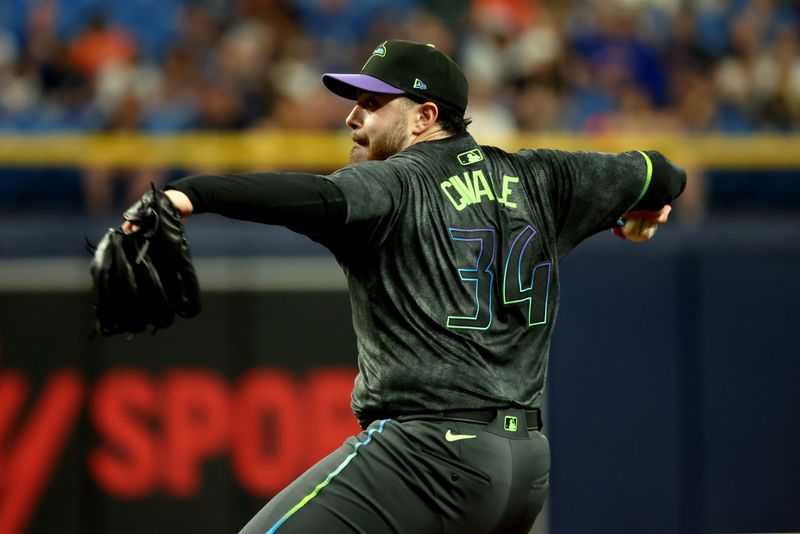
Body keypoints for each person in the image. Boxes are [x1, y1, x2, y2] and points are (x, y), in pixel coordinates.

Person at [126, 40, 686, 533]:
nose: (352, 117)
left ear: (424, 116)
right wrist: (643, 206)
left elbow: (315, 199)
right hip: (524, 465)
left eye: (371, 104)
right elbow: (662, 172)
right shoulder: (545, 177)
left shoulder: (395, 182)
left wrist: (191, 194)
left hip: (428, 456)